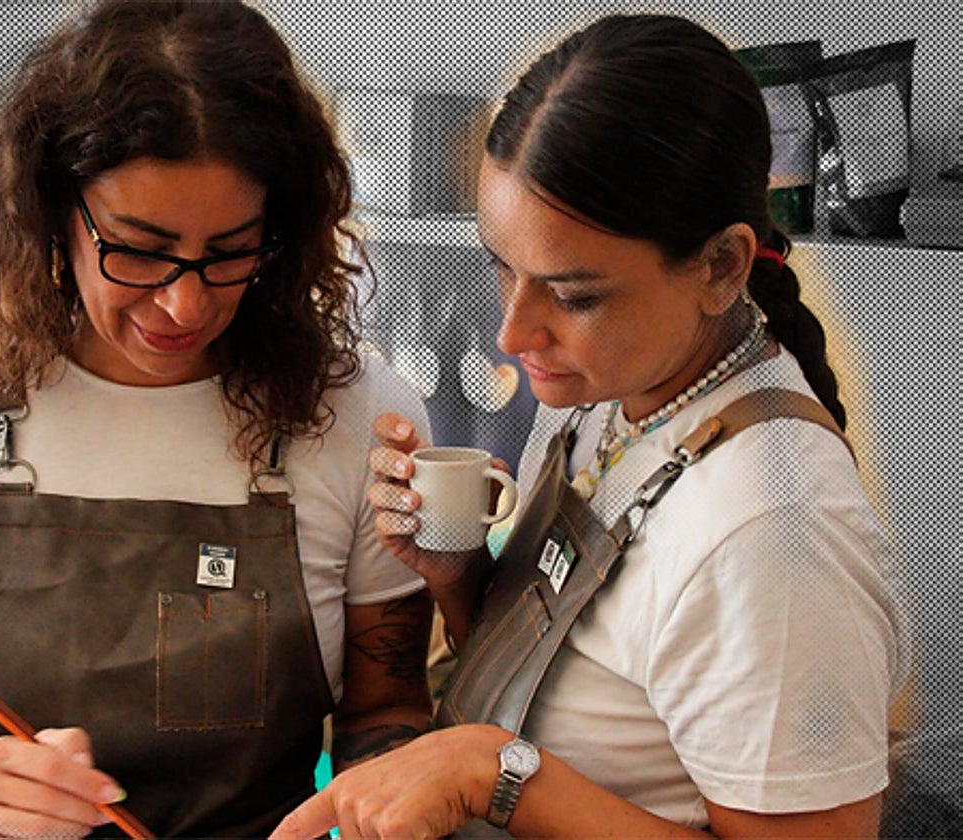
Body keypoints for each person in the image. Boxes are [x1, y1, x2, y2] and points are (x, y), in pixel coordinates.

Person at [272, 14, 911, 840]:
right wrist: (459, 577)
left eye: (574, 296)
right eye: (503, 267)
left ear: (721, 266)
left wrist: (493, 776)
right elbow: (571, 692)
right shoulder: (610, 397)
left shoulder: (774, 531)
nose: (513, 333)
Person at [0, 2, 434, 837]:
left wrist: (381, 803)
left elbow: (388, 708)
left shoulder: (356, 415)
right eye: (140, 249)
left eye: (230, 251)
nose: (185, 303)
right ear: (55, 210)